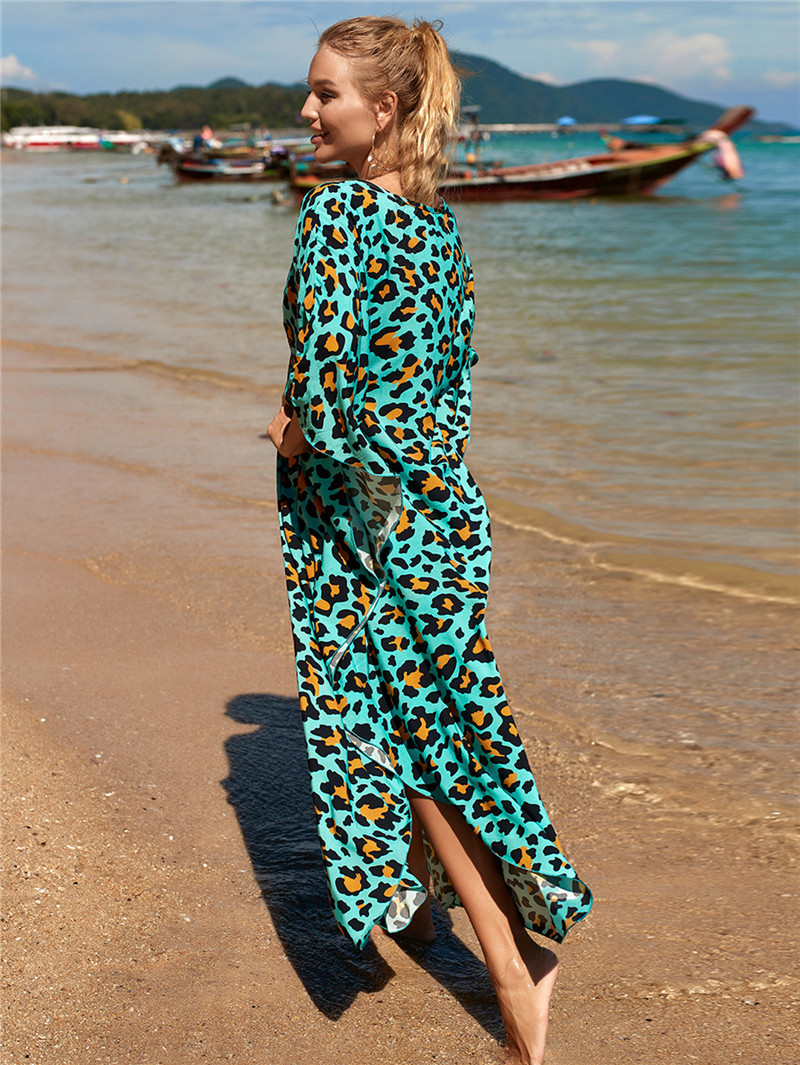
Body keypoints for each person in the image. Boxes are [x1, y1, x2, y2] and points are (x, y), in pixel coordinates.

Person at [266, 17, 592, 1064]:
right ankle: (413, 905)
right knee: (443, 722)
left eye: (325, 94)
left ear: (385, 107)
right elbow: (449, 384)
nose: (306, 111)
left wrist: (288, 430)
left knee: (403, 736)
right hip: (445, 512)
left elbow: (324, 401)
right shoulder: (440, 231)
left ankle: (511, 959)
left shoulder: (334, 216)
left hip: (363, 526)